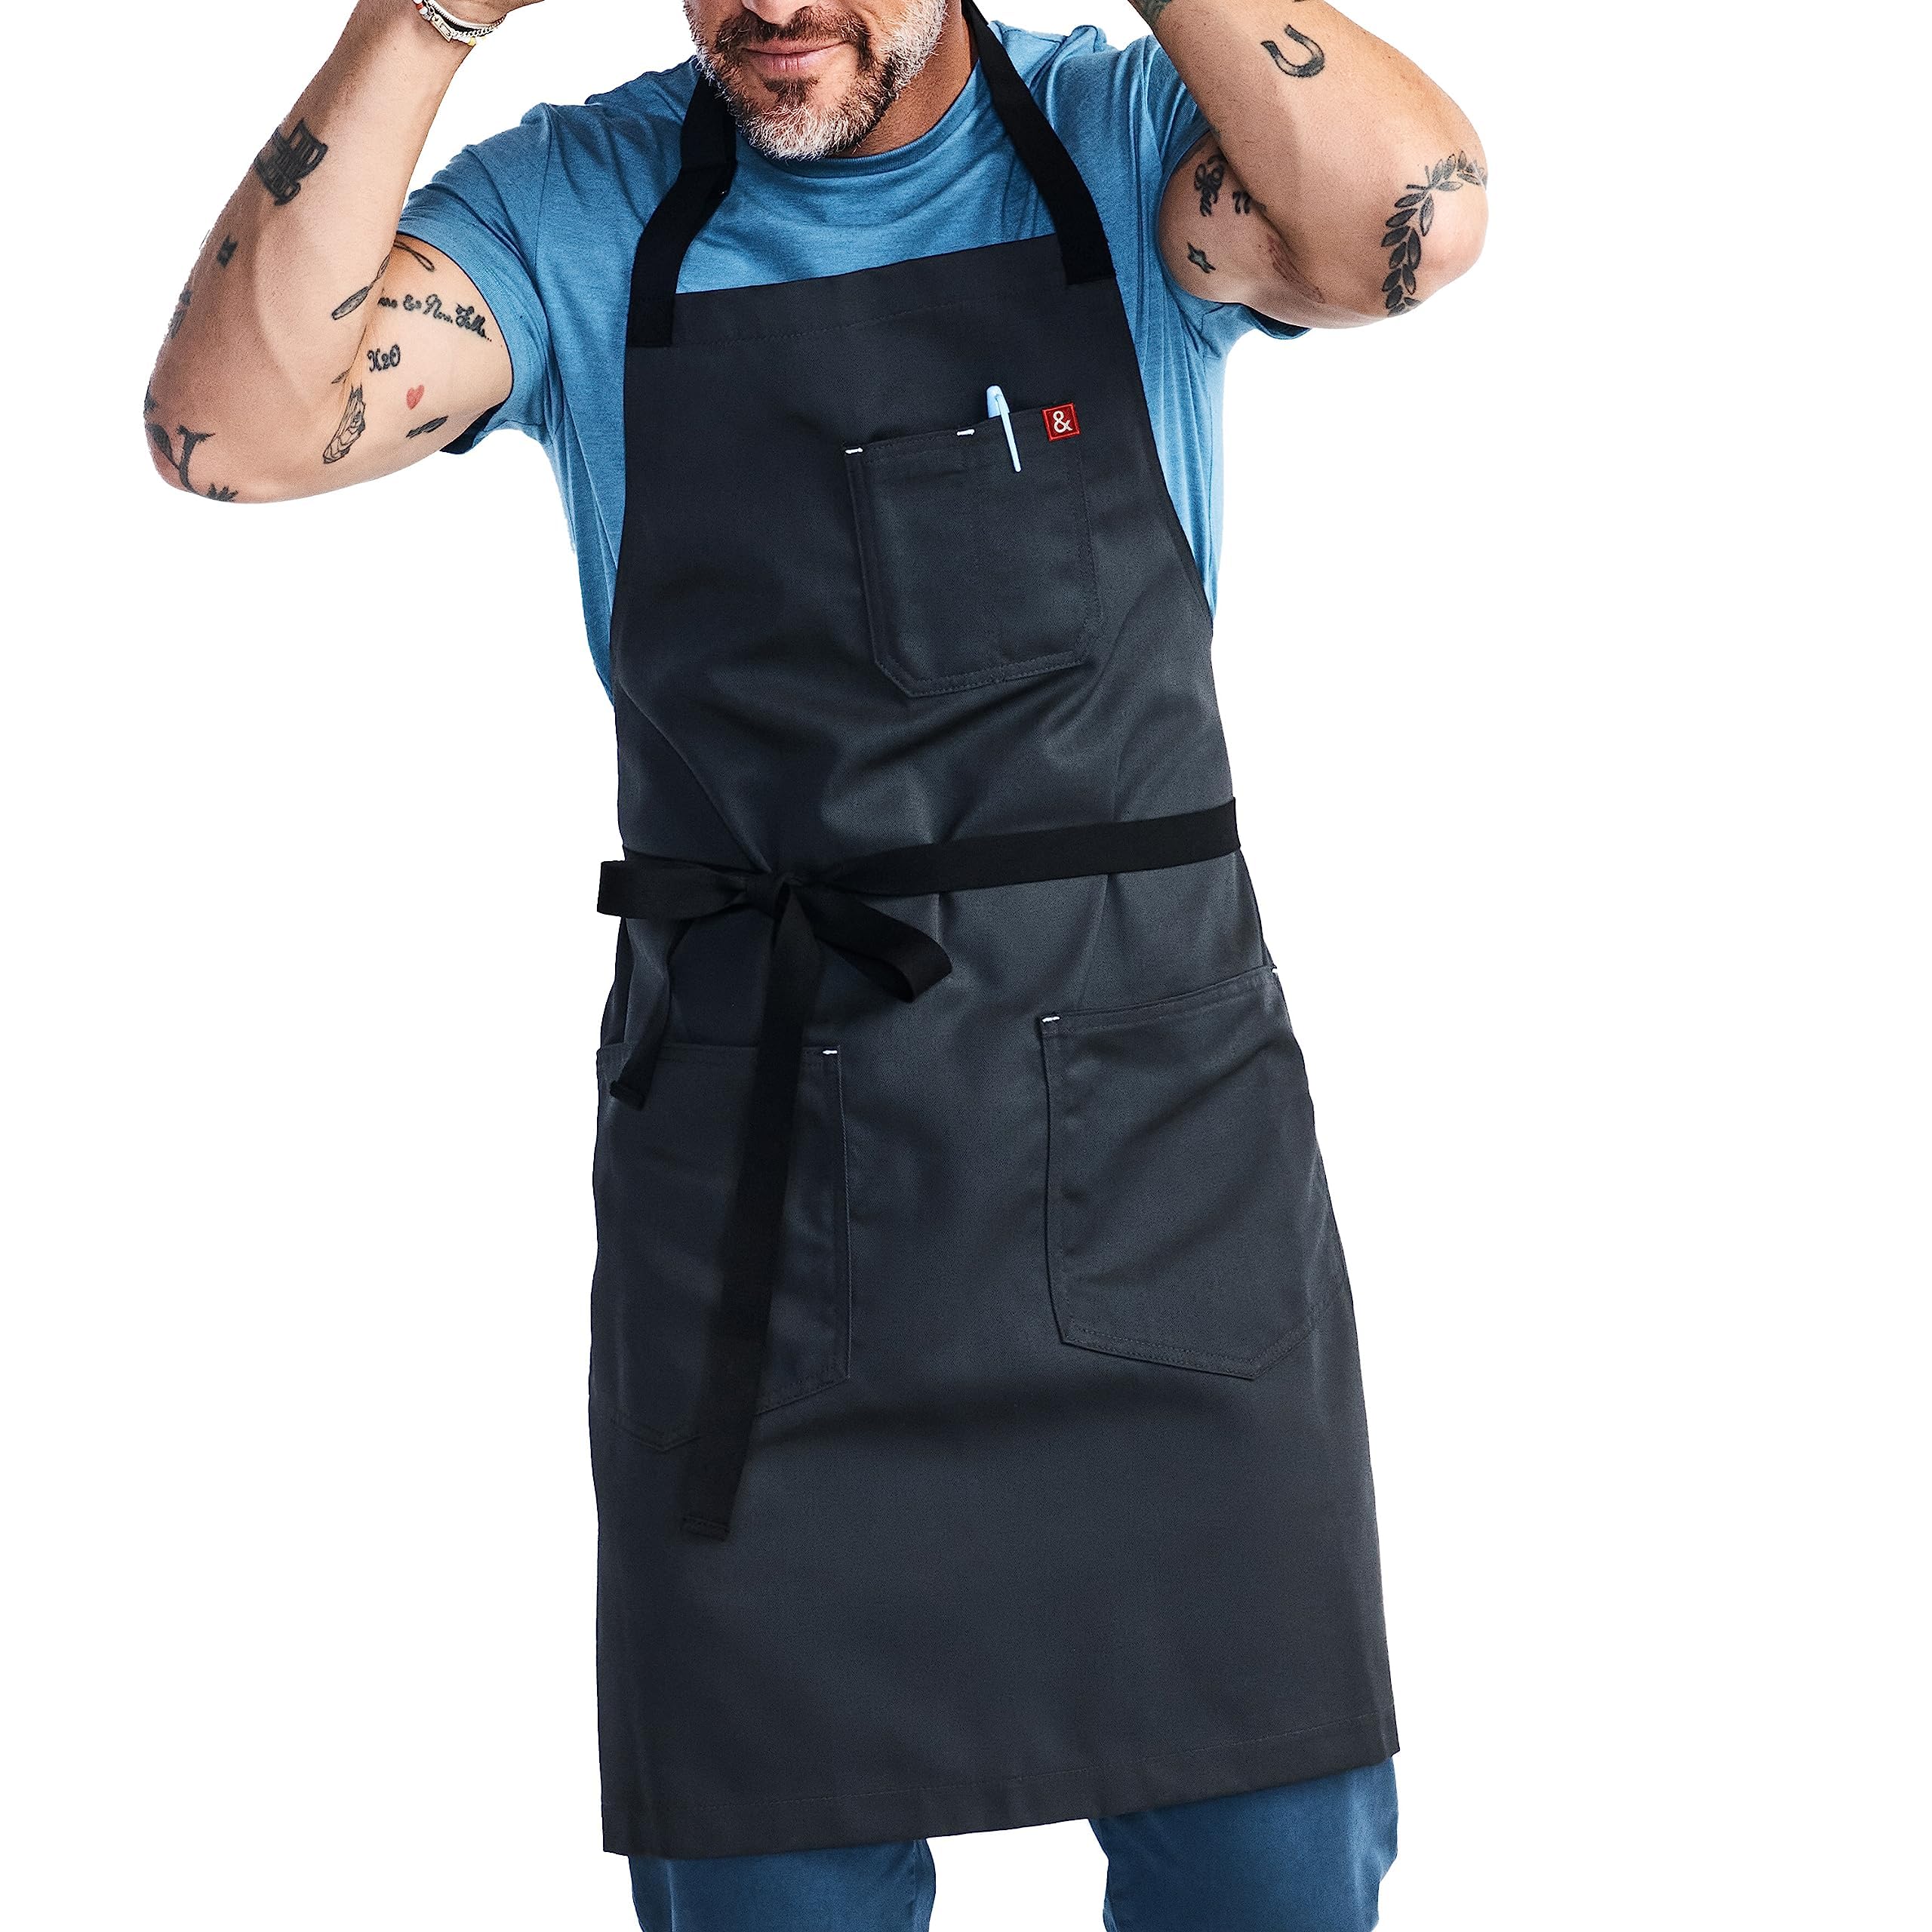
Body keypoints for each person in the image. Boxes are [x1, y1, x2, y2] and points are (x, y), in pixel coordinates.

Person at [147, 2, 1486, 1924]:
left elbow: (1407, 233)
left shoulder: (1121, 147)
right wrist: (423, 19)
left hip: (1159, 1177)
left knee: (1266, 1864)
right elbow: (232, 435)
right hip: (764, 1219)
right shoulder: (588, 205)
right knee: (768, 1877)